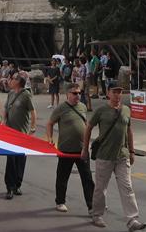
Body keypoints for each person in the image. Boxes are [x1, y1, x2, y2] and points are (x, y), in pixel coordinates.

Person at [82, 85, 146, 231]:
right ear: (108, 94)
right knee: (100, 188)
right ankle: (97, 214)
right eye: (115, 92)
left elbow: (129, 131)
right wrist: (85, 149)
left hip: (122, 155)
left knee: (127, 186)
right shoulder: (101, 111)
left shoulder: (126, 110)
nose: (118, 95)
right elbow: (88, 128)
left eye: (120, 92)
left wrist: (131, 151)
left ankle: (132, 219)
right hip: (104, 156)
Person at [46, 82, 94, 215]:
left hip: (82, 149)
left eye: (79, 93)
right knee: (62, 177)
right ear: (67, 94)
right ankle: (60, 201)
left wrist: (87, 142)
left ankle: (92, 205)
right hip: (65, 149)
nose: (77, 95)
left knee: (87, 178)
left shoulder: (83, 107)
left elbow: (85, 124)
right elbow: (49, 123)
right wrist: (50, 139)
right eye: (74, 93)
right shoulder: (61, 108)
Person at [2, 74, 36, 200]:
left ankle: (17, 185)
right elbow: (6, 108)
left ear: (19, 82)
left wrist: (32, 128)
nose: (11, 80)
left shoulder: (26, 95)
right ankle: (9, 187)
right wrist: (4, 121)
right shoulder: (11, 93)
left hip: (22, 133)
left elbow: (33, 112)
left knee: (21, 159)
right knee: (11, 160)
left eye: (13, 79)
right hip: (10, 133)